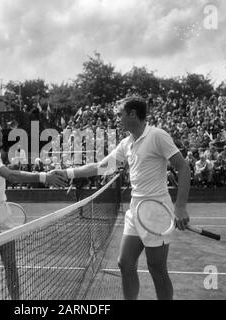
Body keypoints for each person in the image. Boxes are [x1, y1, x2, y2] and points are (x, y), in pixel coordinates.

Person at [55, 97, 191, 300]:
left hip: (157, 211)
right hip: (135, 210)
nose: (118, 118)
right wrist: (67, 173)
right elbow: (100, 167)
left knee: (156, 268)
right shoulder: (126, 143)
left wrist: (180, 207)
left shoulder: (157, 136)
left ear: (133, 114)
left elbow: (183, 167)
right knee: (125, 263)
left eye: (121, 114)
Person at [0, 118, 67, 300]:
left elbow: (4, 173)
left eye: (1, 131)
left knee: (11, 264)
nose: (1, 135)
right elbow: (11, 177)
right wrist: (44, 176)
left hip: (2, 212)